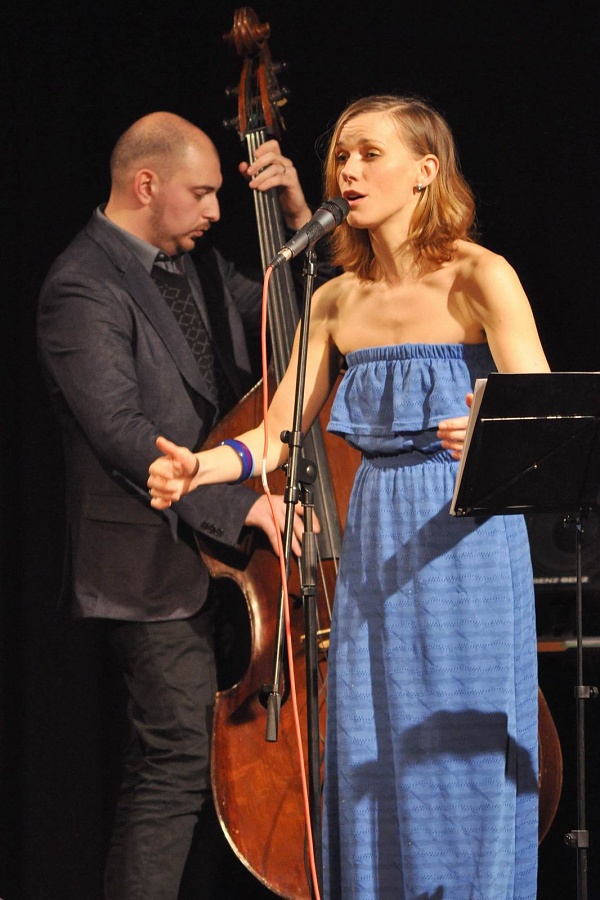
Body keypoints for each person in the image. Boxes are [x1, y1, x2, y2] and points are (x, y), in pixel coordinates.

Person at [148, 94, 551, 900]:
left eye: (370, 154)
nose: (349, 172)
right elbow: (275, 435)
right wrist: (201, 467)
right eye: (341, 156)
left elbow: (545, 415)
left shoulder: (480, 276)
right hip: (376, 536)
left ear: (425, 171)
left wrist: (493, 430)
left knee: (459, 749)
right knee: (376, 743)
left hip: (465, 536)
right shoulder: (334, 300)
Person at [37, 110, 327, 900]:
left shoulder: (197, 266)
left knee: (216, 761)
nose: (216, 210)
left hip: (232, 565)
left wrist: (298, 222)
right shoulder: (81, 285)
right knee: (171, 764)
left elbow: (303, 327)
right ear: (145, 185)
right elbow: (124, 435)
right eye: (201, 193)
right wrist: (245, 507)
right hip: (149, 563)